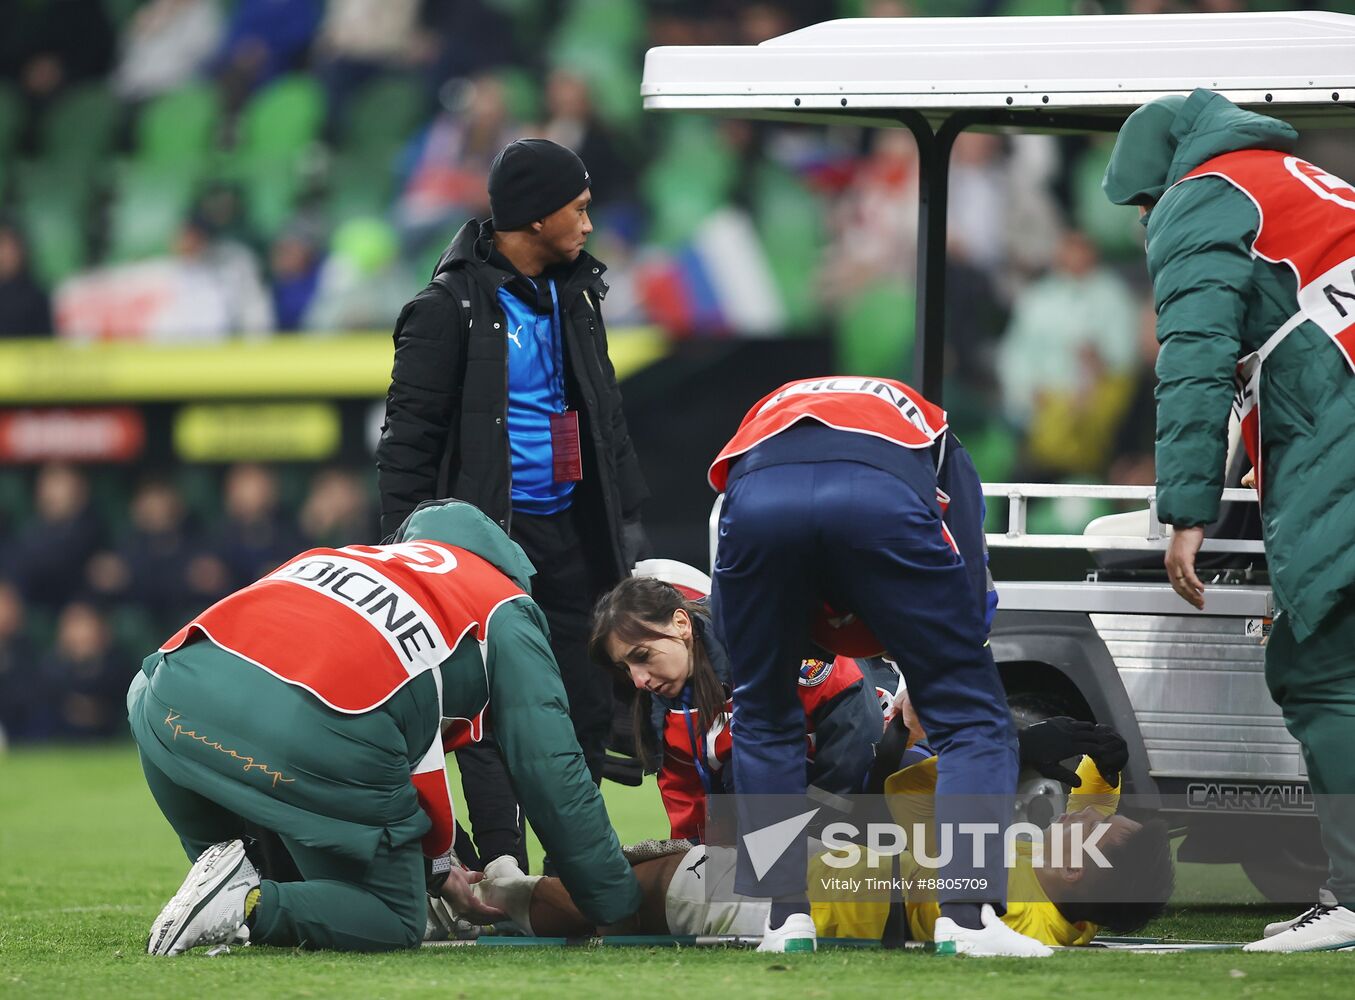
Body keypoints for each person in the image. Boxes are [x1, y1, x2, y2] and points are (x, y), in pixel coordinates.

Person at [130, 499, 640, 955]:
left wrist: (439, 866)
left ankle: (225, 879)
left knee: (283, 872)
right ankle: (244, 903)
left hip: (164, 706)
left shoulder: (341, 555)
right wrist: (612, 899)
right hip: (302, 735)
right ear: (508, 566)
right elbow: (549, 768)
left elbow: (408, 752)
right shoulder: (503, 607)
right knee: (393, 917)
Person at [1102, 88, 1355, 953]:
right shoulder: (1300, 179)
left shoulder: (1200, 198)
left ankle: (1354, 902)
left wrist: (1184, 511)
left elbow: (1196, 361)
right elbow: (1297, 334)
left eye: (1138, 206)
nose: (1144, 225)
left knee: (1321, 665)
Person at [377, 138, 648, 872]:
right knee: (489, 707)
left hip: (573, 528)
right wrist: (406, 551)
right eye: (579, 208)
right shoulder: (445, 310)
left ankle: (570, 866)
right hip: (484, 541)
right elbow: (407, 441)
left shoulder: (578, 294)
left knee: (586, 693)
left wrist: (625, 522)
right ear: (533, 218)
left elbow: (606, 415)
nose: (589, 224)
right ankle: (502, 864)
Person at [705, 375, 1033, 955]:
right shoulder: (937, 430)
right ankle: (967, 918)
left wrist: (753, 669)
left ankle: (784, 922)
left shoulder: (767, 409)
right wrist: (944, 669)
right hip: (877, 498)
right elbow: (966, 557)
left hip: (758, 505)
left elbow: (732, 568)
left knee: (763, 717)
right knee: (972, 720)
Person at [472, 747, 1170, 950]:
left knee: (622, 899)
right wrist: (1098, 772)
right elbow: (1093, 817)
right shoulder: (1063, 906)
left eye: (1088, 828)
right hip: (808, 862)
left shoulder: (1011, 908)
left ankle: (486, 897)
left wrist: (989, 744)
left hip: (784, 903)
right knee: (651, 868)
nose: (1073, 818)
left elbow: (910, 796)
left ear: (1081, 866)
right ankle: (499, 892)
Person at [589, 569, 884, 843]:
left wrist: (816, 834)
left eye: (641, 656)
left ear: (681, 624)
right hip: (786, 814)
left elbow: (856, 722)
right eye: (625, 668)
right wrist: (694, 863)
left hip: (870, 779)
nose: (638, 680)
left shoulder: (765, 637)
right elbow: (688, 802)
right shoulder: (662, 708)